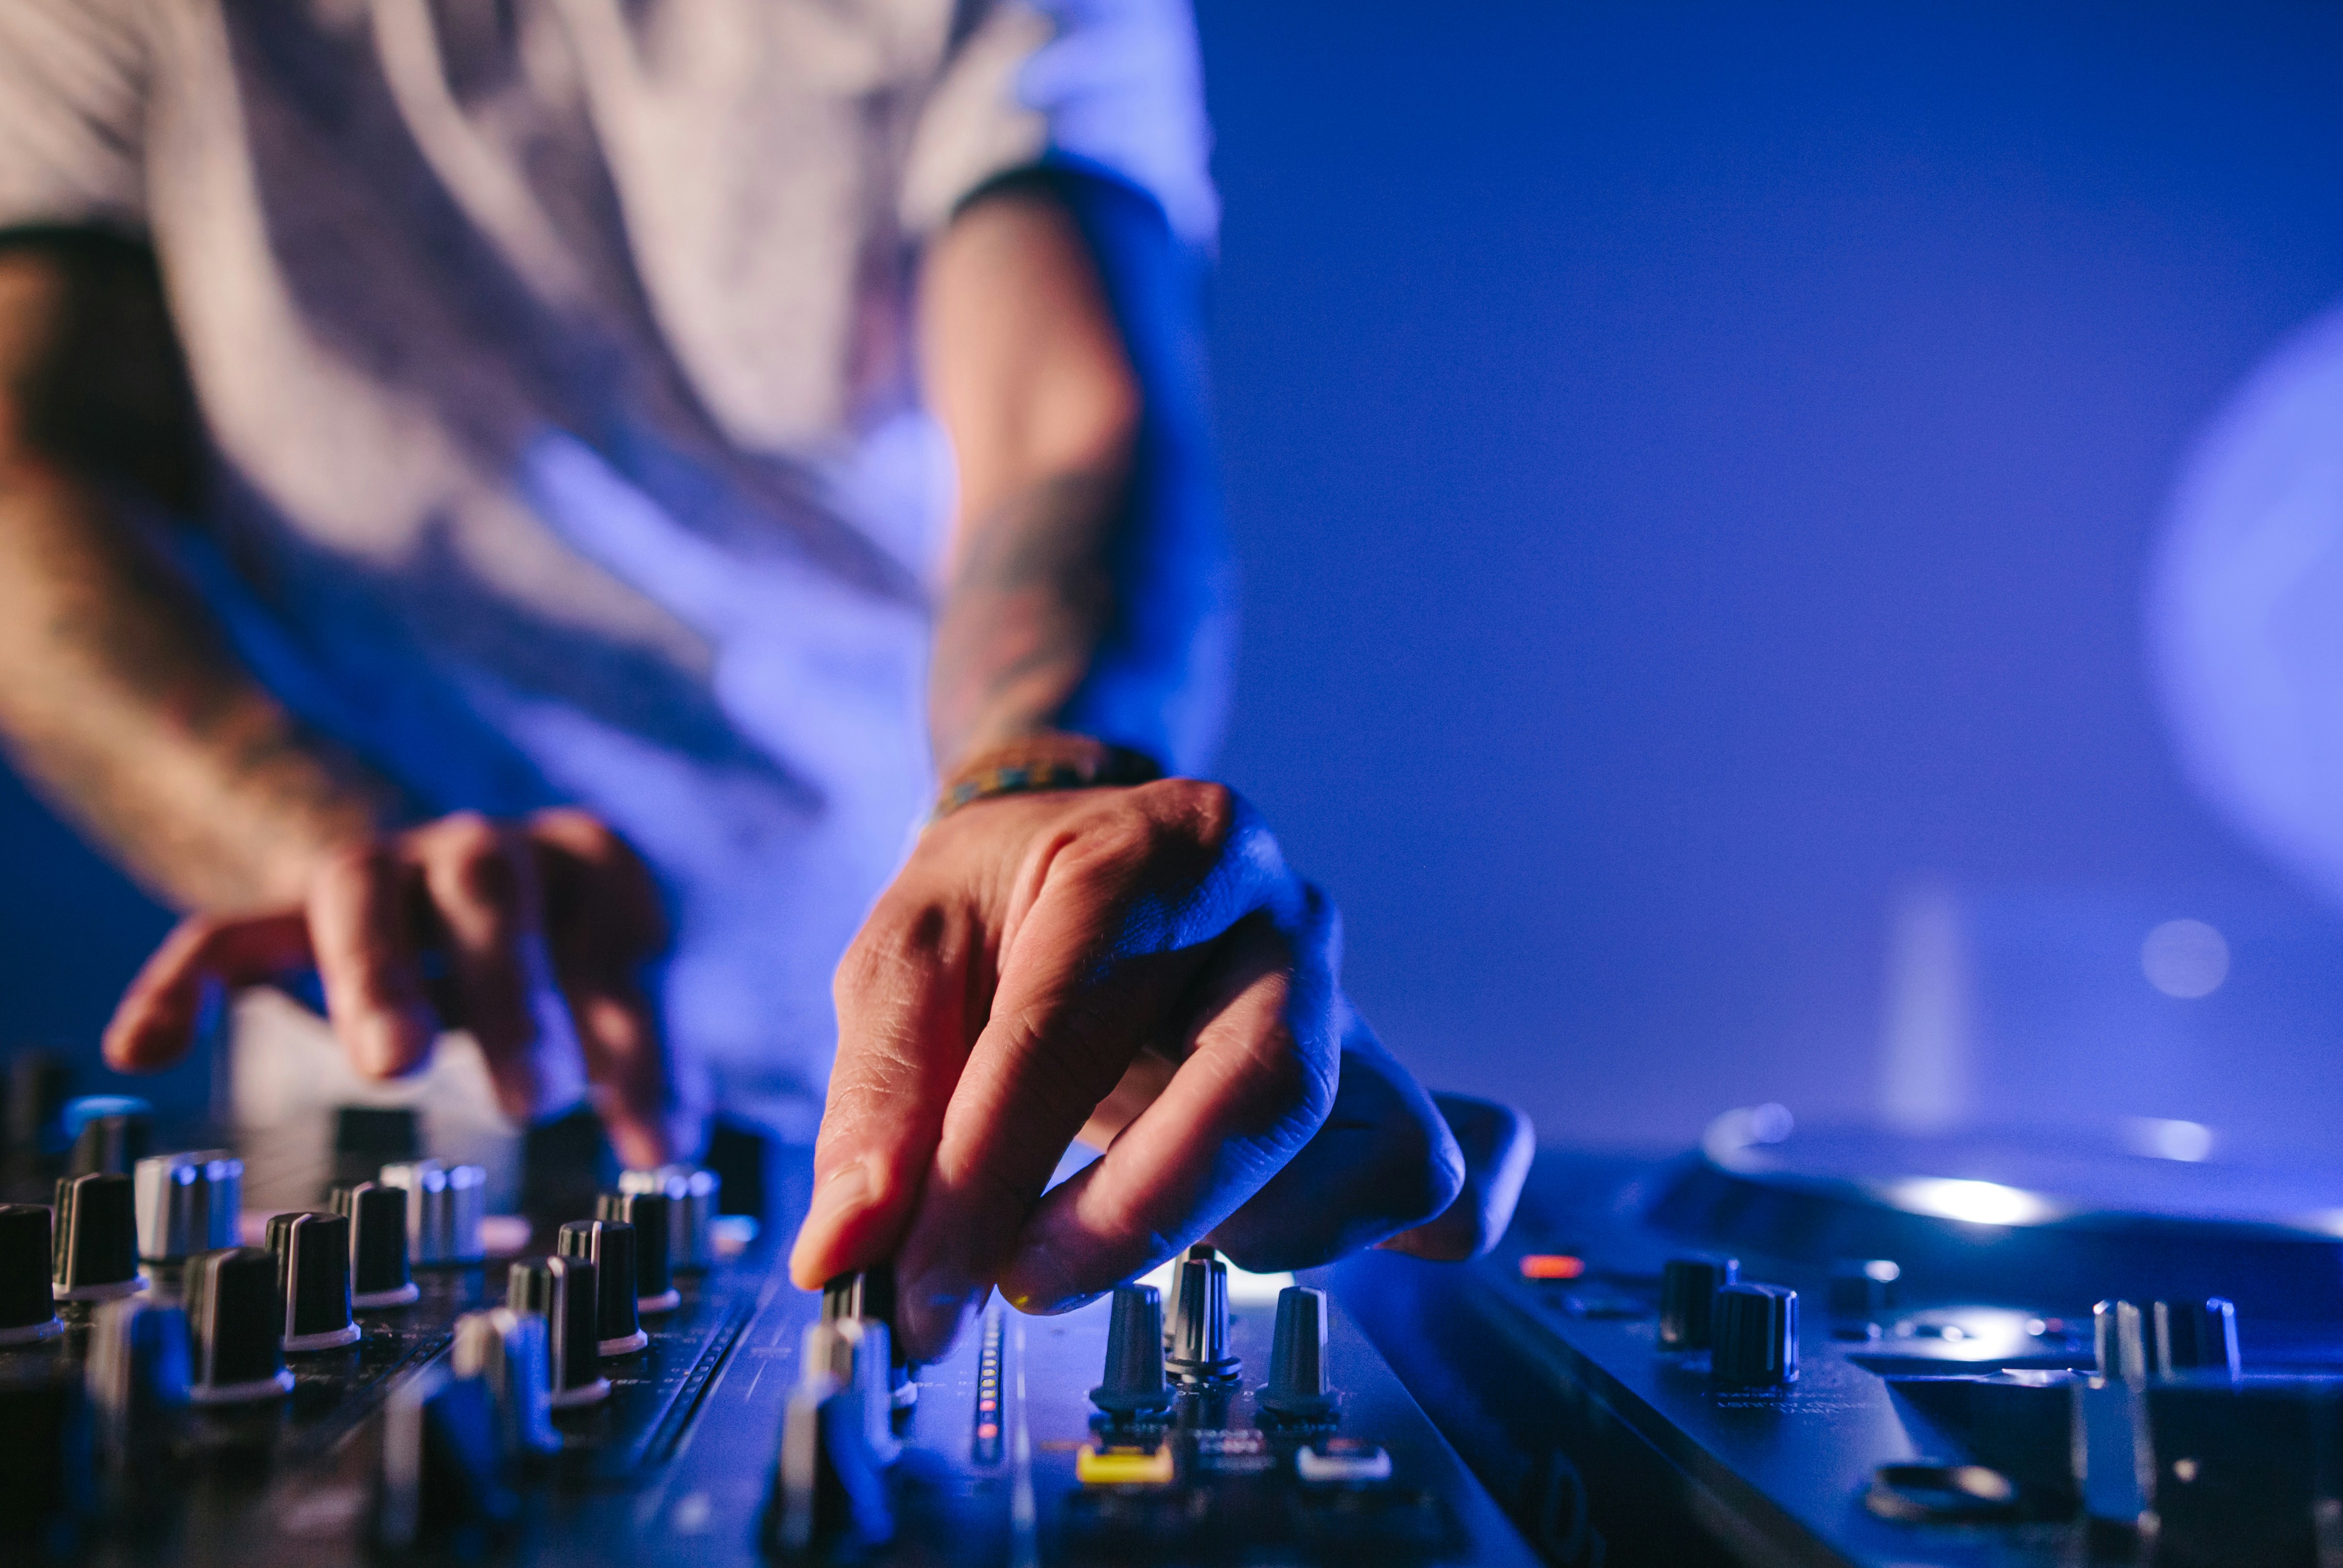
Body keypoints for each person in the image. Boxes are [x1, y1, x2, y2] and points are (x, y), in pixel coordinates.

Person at [0, 0, 1522, 1361]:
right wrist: (329, 854)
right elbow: (32, 474)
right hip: (385, 1098)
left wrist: (1042, 796)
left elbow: (1070, 429)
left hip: (933, 1071)